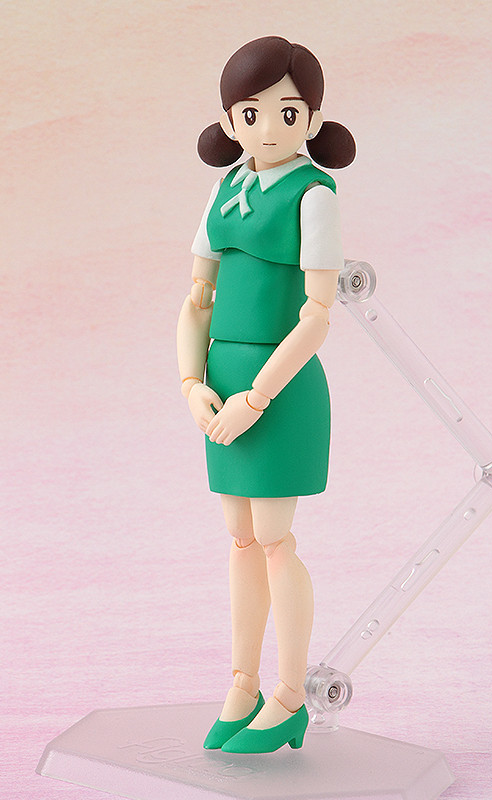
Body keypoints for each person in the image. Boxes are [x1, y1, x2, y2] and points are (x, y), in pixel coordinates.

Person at [177, 36, 355, 754]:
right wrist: (192, 383)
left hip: (279, 389)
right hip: (222, 383)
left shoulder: (313, 195)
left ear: (311, 119)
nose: (271, 127)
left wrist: (257, 397)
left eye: (288, 112)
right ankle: (242, 683)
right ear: (229, 120)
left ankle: (289, 695)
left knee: (277, 540)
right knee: (241, 538)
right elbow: (198, 297)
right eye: (251, 113)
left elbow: (317, 315)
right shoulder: (224, 189)